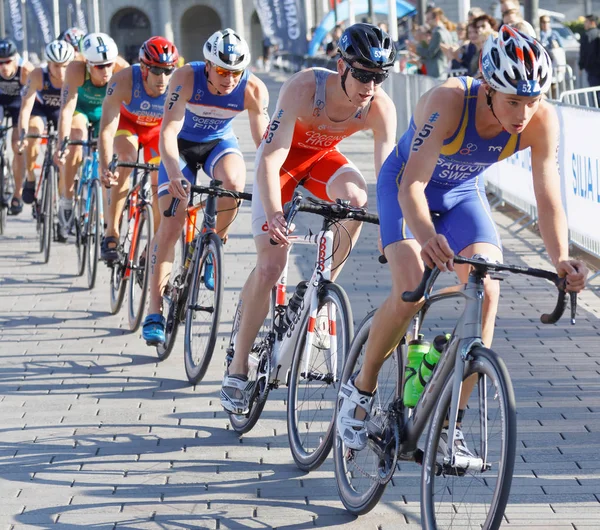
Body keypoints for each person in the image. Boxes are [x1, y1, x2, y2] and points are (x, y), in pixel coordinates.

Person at [336, 27, 587, 457]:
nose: (523, 114)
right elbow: (411, 185)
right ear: (488, 88)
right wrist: (427, 237)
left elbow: (548, 198)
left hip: (460, 196)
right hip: (405, 189)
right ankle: (360, 389)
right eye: (513, 101)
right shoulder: (449, 101)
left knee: (488, 289)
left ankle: (450, 424)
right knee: (411, 288)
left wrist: (562, 257)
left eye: (532, 100)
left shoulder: (540, 119)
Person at [220, 23, 398, 415]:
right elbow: (268, 157)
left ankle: (321, 286)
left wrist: (393, 231)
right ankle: (237, 368)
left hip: (319, 163)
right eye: (364, 75)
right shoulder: (305, 89)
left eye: (379, 76)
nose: (370, 85)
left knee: (356, 196)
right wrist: (274, 213)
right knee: (270, 266)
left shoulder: (380, 106)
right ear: (341, 67)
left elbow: (387, 176)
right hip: (281, 164)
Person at [141, 28, 270, 345]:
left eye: (235, 72)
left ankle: (213, 244)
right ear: (208, 65)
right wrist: (172, 172)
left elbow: (265, 144)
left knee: (234, 182)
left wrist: (275, 186)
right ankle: (155, 311)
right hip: (180, 148)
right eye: (223, 71)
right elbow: (168, 131)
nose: (229, 80)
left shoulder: (252, 88)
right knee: (171, 224)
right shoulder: (185, 77)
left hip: (218, 144)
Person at [98, 36, 179, 262]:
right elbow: (106, 130)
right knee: (126, 159)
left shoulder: (178, 84)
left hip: (157, 133)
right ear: (143, 68)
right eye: (156, 70)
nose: (162, 78)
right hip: (128, 127)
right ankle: (111, 231)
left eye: (168, 70)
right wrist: (105, 166)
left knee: (159, 180)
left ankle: (154, 245)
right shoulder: (123, 80)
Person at [54, 33, 128, 242]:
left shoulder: (122, 68)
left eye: (108, 65)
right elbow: (67, 109)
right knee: (76, 140)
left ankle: (108, 217)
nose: (106, 71)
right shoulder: (75, 70)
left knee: (111, 155)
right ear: (87, 64)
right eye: (99, 67)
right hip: (81, 110)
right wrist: (62, 143)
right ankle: (67, 201)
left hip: (107, 113)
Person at [18, 40, 75, 205]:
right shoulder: (37, 75)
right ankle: (30, 177)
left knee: (67, 150)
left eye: (65, 66)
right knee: (33, 132)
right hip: (41, 109)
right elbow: (25, 108)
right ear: (48, 63)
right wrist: (22, 134)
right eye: (56, 66)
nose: (61, 71)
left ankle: (62, 198)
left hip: (63, 111)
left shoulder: (74, 76)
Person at [0, 39, 34, 215]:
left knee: (17, 144)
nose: (4, 67)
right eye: (0, 63)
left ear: (15, 59)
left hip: (17, 105)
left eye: (7, 62)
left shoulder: (25, 70)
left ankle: (18, 192)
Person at [408, 7, 453, 80]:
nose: (427, 22)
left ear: (436, 18)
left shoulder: (438, 33)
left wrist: (416, 48)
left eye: (428, 19)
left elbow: (430, 53)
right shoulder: (446, 32)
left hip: (437, 72)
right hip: (442, 71)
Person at [578, 15, 600, 95]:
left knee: (594, 94)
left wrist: (581, 66)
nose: (584, 24)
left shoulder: (586, 35)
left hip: (592, 69)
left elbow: (583, 52)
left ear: (592, 23)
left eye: (586, 22)